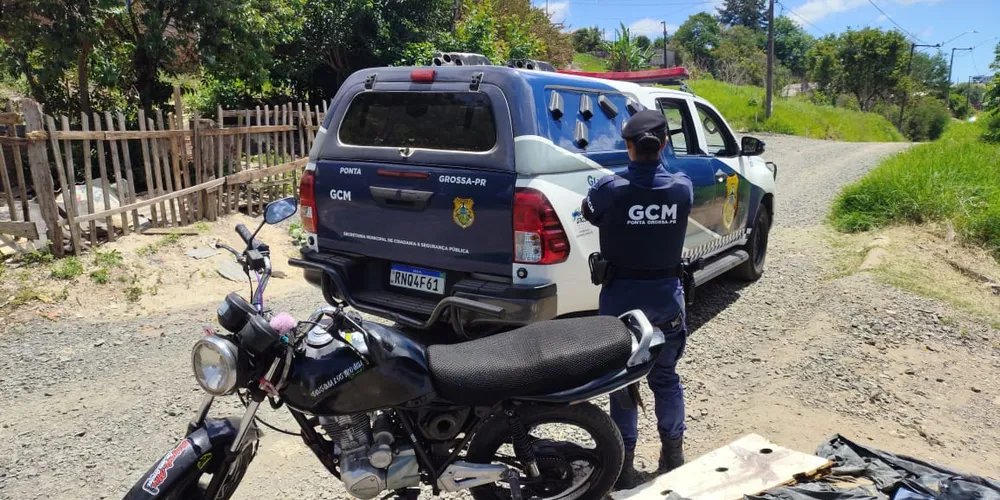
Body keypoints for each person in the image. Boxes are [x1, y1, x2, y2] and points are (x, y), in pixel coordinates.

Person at [579, 109, 694, 490]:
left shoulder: (609, 190)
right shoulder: (682, 187)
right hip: (666, 303)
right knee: (666, 378)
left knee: (625, 386)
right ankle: (673, 457)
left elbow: (589, 211)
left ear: (627, 146)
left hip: (621, 307)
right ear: (664, 144)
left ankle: (624, 467)